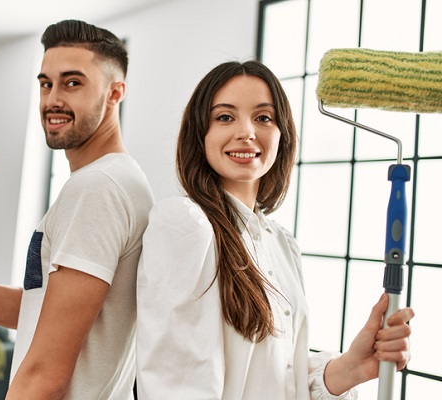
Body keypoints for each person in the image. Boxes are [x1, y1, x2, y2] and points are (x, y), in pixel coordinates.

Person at [135, 60, 414, 399]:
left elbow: (284, 378)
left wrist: (351, 367)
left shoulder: (282, 243)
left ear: (282, 135)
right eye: (225, 117)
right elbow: (175, 384)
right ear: (200, 134)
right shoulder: (184, 224)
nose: (247, 132)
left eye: (263, 118)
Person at [0, 19, 154, 399]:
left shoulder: (97, 188)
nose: (53, 99)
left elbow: (46, 373)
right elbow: (45, 313)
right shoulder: (117, 180)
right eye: (46, 83)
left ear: (114, 92)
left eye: (73, 83)